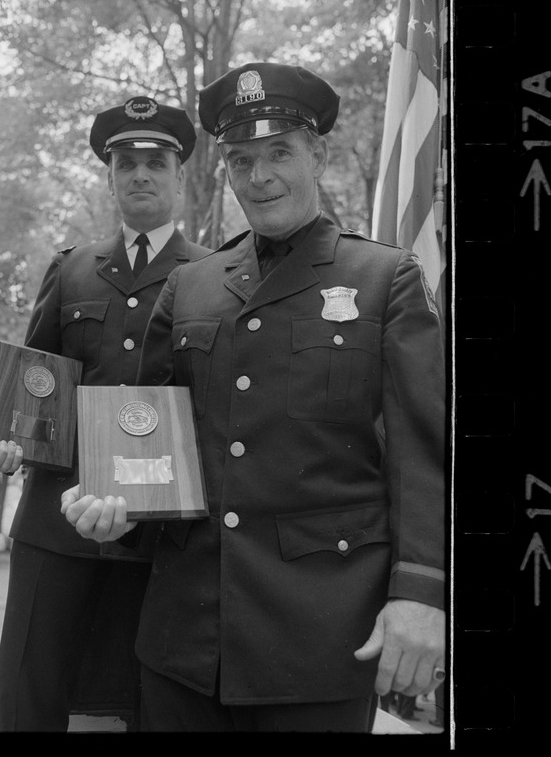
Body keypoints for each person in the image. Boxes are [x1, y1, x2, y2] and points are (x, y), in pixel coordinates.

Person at [61, 62, 447, 733]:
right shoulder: (192, 286)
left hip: (319, 637)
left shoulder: (386, 279)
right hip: (184, 640)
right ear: (225, 172)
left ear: (318, 155)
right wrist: (116, 508)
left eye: (279, 152)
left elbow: (420, 452)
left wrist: (421, 593)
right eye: (241, 159)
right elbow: (152, 440)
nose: (259, 174)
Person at [0, 95, 211, 732]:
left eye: (155, 161)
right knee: (31, 693)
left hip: (160, 531)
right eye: (125, 162)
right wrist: (2, 441)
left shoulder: (214, 275)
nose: (140, 174)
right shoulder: (70, 269)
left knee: (149, 703)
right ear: (109, 176)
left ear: (180, 174)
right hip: (56, 524)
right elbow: (30, 386)